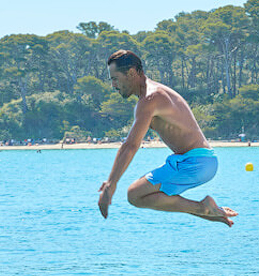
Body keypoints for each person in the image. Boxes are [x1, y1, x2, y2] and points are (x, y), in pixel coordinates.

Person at [98, 50, 237, 226]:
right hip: (202, 162)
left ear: (131, 73)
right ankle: (209, 211)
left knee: (135, 194)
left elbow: (131, 145)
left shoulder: (150, 98)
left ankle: (204, 208)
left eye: (115, 79)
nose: (113, 85)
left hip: (195, 162)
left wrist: (111, 184)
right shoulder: (154, 94)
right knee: (144, 196)